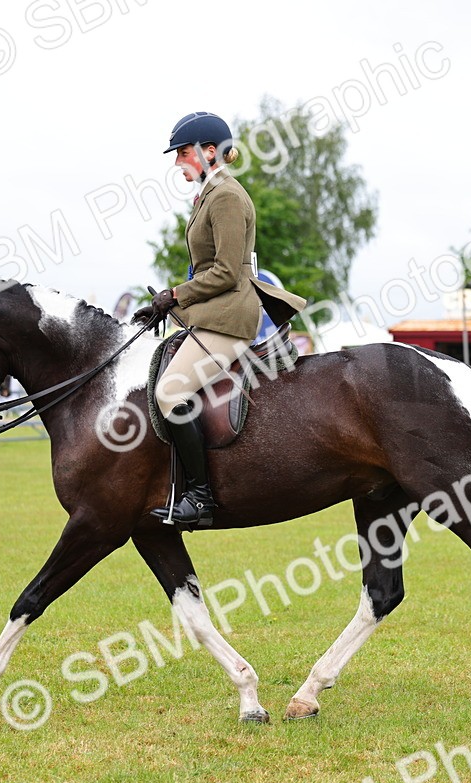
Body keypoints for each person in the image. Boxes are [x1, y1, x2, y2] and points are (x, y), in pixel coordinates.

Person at [133, 111, 306, 528]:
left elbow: (227, 272)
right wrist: (169, 302)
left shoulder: (227, 196)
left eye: (183, 153)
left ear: (210, 152)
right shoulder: (209, 194)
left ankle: (201, 498)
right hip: (212, 313)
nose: (178, 162)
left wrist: (175, 295)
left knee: (170, 393)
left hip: (229, 319)